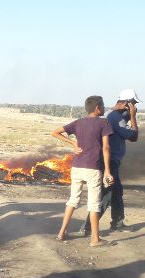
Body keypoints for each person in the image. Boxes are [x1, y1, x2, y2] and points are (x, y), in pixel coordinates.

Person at [51, 95, 114, 247]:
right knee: (94, 204)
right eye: (103, 105)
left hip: (77, 167)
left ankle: (61, 233)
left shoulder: (78, 122)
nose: (104, 108)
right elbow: (106, 148)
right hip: (93, 168)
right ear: (97, 108)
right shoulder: (104, 122)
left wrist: (72, 142)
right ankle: (95, 239)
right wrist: (107, 170)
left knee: (73, 200)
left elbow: (55, 132)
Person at [81, 89, 140, 234]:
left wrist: (128, 115)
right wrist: (133, 117)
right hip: (109, 162)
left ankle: (117, 223)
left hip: (110, 161)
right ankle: (87, 227)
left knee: (117, 192)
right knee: (107, 195)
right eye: (133, 103)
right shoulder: (115, 118)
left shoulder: (112, 115)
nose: (135, 107)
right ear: (127, 103)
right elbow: (134, 136)